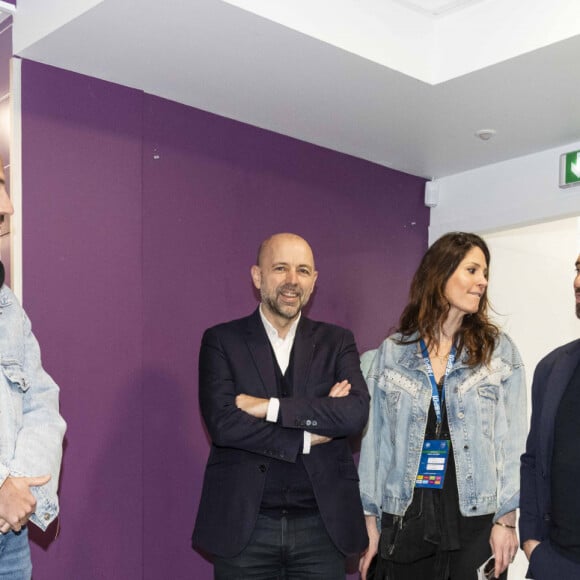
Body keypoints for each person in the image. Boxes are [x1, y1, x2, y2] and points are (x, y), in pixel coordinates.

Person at [192, 232, 370, 578]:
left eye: (303, 271)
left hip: (322, 528)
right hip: (245, 528)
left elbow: (353, 414)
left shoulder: (337, 341)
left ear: (314, 281)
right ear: (258, 277)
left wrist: (269, 408)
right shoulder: (221, 341)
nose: (292, 281)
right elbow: (224, 424)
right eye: (280, 268)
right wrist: (309, 433)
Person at [358, 232, 526, 580]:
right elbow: (377, 445)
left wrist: (506, 520)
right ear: (441, 274)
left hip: (476, 524)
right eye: (472, 270)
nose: (483, 281)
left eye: (485, 272)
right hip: (405, 519)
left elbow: (513, 445)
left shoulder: (499, 351)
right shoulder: (394, 351)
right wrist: (370, 521)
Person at [0, 159, 66, 579]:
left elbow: (42, 403)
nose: (7, 206)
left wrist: (17, 485)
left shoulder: (8, 308)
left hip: (10, 536)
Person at [519, 254, 580, 579]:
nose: (578, 282)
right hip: (556, 563)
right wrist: (531, 542)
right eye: (579, 270)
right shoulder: (553, 368)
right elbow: (533, 461)